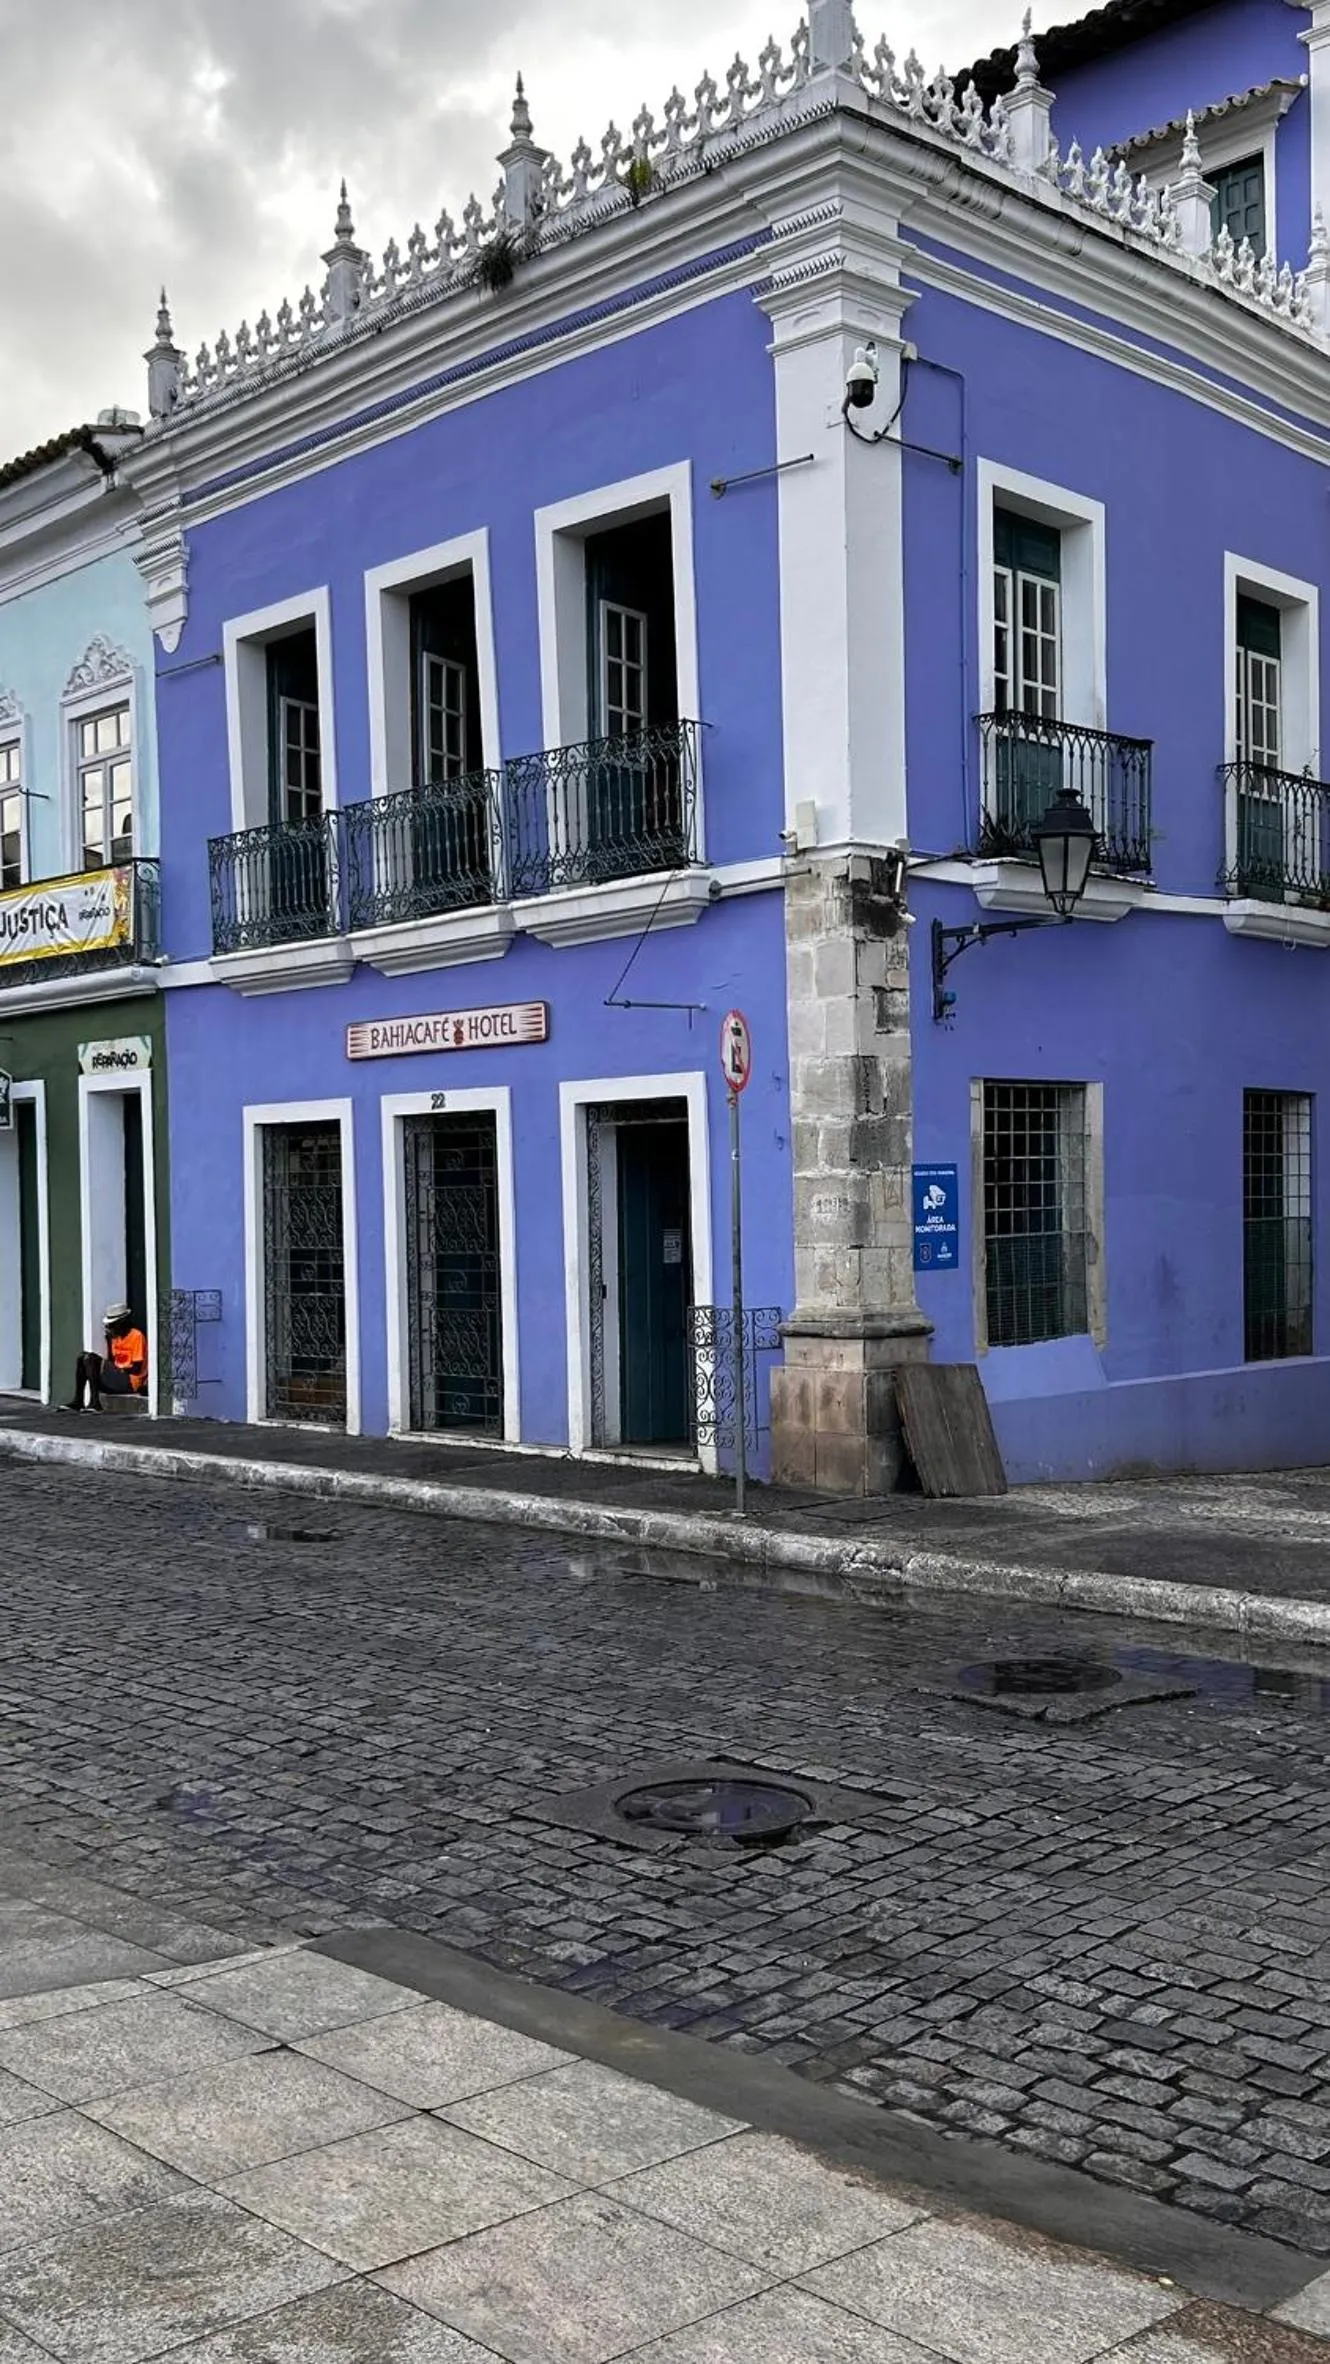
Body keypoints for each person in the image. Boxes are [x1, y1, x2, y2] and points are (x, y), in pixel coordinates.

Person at [65, 1303, 148, 1412]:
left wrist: (118, 1369)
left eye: (113, 1325)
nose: (110, 1328)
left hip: (130, 1381)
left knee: (91, 1359)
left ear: (122, 1322)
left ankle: (95, 1402)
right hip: (117, 1378)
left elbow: (137, 1368)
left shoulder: (136, 1336)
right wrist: (109, 1343)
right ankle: (78, 1400)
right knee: (82, 1357)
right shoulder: (115, 1338)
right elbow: (113, 1360)